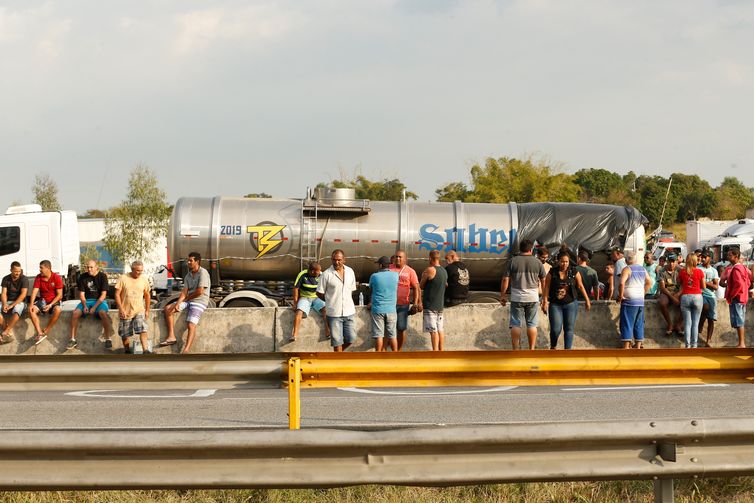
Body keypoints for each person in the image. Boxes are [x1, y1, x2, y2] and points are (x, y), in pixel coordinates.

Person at [160, 251, 211, 354]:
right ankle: (171, 336)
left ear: (197, 261)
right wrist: (178, 303)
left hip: (200, 301)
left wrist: (186, 299)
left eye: (191, 260)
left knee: (191, 324)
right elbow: (184, 292)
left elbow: (200, 292)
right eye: (188, 260)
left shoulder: (203, 272)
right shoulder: (188, 275)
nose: (188, 262)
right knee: (168, 309)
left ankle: (186, 350)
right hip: (189, 300)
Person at [500, 239, 546, 350]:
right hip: (533, 297)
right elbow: (544, 281)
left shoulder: (512, 261)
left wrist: (503, 295)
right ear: (531, 249)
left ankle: (516, 350)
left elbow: (505, 279)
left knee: (516, 324)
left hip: (517, 297)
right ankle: (532, 349)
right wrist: (544, 297)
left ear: (520, 249)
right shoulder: (538, 262)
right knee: (532, 324)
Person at [542, 250, 591, 350]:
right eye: (562, 261)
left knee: (569, 329)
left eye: (567, 262)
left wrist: (587, 300)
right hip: (555, 305)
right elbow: (546, 287)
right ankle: (553, 346)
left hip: (571, 304)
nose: (564, 264)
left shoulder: (574, 272)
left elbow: (580, 286)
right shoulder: (552, 272)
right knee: (555, 329)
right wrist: (545, 301)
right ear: (558, 261)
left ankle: (567, 351)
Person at [317, 249, 357, 352]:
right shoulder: (326, 274)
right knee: (337, 341)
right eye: (334, 260)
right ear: (331, 259)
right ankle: (338, 362)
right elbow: (319, 292)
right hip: (334, 313)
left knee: (351, 338)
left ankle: (337, 356)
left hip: (349, 312)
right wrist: (330, 301)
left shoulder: (350, 272)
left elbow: (351, 290)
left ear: (344, 260)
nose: (336, 262)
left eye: (339, 260)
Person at [68, 260, 113, 350]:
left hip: (99, 301)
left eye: (91, 267)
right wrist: (85, 306)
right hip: (87, 301)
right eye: (87, 267)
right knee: (75, 313)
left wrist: (95, 307)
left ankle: (108, 338)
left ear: (96, 267)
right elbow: (81, 294)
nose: (89, 269)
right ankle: (72, 339)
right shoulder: (83, 277)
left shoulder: (102, 276)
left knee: (103, 313)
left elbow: (103, 295)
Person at [114, 260, 151, 354]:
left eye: (141, 270)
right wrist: (121, 309)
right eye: (138, 270)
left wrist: (147, 310)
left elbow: (147, 295)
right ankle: (127, 350)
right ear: (132, 269)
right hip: (126, 310)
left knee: (143, 328)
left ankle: (145, 350)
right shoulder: (123, 278)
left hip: (139, 309)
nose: (140, 272)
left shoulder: (144, 279)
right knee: (124, 334)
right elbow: (117, 294)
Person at [618, 251, 651, 349]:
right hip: (640, 301)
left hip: (629, 301)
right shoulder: (642, 269)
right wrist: (643, 293)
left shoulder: (626, 269)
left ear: (625, 260)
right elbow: (649, 282)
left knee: (627, 322)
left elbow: (621, 283)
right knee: (639, 323)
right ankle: (638, 346)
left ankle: (626, 347)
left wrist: (620, 296)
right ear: (635, 259)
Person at [720, 248, 752, 348]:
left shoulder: (736, 269)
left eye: (730, 255)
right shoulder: (742, 268)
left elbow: (738, 284)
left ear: (736, 256)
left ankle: (742, 343)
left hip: (737, 298)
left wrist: (732, 295)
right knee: (739, 320)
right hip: (742, 297)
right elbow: (748, 283)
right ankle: (741, 343)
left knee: (739, 321)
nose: (728, 257)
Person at [389, 250, 421, 351]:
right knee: (389, 328)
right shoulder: (389, 269)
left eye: (400, 257)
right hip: (390, 304)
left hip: (403, 305)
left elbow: (416, 287)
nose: (397, 259)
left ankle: (398, 351)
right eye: (396, 257)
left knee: (401, 329)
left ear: (405, 259)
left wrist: (416, 304)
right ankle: (387, 351)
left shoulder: (410, 271)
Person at [290, 262, 328, 342]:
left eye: (319, 271)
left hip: (317, 297)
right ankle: (294, 335)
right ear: (311, 271)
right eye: (317, 271)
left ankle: (328, 332)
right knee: (299, 311)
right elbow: (295, 288)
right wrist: (295, 303)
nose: (319, 273)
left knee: (326, 310)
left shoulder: (322, 275)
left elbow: (327, 289)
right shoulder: (302, 275)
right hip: (305, 298)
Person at [367, 256, 399, 352]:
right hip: (391, 310)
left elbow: (371, 290)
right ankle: (396, 356)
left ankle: (378, 357)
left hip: (378, 309)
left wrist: (370, 302)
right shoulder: (395, 275)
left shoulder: (374, 276)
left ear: (381, 265)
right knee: (392, 335)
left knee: (379, 335)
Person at [28, 260, 64, 345]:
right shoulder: (38, 277)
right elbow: (34, 292)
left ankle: (46, 330)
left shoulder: (56, 277)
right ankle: (40, 333)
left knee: (58, 310)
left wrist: (50, 305)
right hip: (43, 301)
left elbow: (60, 295)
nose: (40, 270)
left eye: (41, 268)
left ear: (48, 268)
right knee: (31, 310)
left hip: (54, 301)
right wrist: (31, 305)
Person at [420, 250, 448, 351]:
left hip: (430, 304)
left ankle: (435, 352)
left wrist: (424, 275)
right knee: (440, 329)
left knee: (433, 331)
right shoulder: (444, 271)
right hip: (440, 305)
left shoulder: (430, 270)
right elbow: (446, 285)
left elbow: (421, 286)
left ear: (430, 258)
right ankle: (441, 351)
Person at [677, 253, 706, 349]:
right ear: (695, 261)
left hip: (685, 296)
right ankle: (694, 345)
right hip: (697, 297)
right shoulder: (699, 272)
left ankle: (687, 345)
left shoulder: (682, 272)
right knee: (695, 323)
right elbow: (704, 287)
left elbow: (678, 282)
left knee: (687, 323)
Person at [0, 261, 28, 344]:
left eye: (19, 271)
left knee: (17, 308)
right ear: (11, 270)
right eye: (16, 271)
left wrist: (12, 305)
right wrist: (5, 304)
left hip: (20, 302)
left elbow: (23, 295)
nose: (18, 273)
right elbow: (3, 293)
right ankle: (6, 330)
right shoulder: (6, 278)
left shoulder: (24, 279)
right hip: (8, 301)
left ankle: (6, 331)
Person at [697, 250, 719, 347]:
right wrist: (709, 283)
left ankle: (708, 340)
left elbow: (716, 286)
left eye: (704, 257)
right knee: (705, 307)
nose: (702, 259)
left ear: (709, 258)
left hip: (711, 296)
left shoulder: (714, 271)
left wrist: (705, 283)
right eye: (701, 257)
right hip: (701, 294)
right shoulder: (698, 268)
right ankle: (700, 324)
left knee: (711, 319)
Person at [657, 254, 682, 336]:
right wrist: (673, 298)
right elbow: (662, 288)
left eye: (673, 261)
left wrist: (678, 294)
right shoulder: (662, 270)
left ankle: (678, 324)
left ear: (676, 262)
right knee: (662, 303)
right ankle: (670, 324)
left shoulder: (680, 270)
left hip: (678, 291)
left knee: (687, 302)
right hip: (666, 292)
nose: (671, 264)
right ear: (667, 262)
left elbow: (684, 286)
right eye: (670, 261)